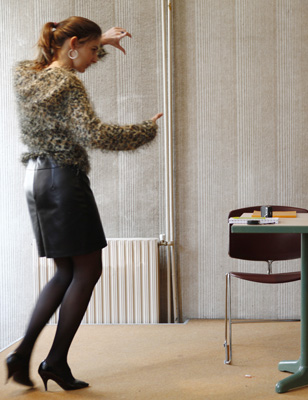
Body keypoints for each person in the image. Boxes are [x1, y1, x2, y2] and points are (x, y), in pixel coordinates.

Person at [5, 16, 163, 391]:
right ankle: (55, 361)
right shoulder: (69, 84)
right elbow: (94, 134)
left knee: (65, 272)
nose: (95, 58)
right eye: (93, 50)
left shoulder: (27, 77)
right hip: (64, 181)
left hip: (37, 181)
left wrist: (100, 40)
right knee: (88, 270)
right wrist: (147, 128)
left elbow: (61, 59)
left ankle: (22, 355)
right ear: (73, 44)